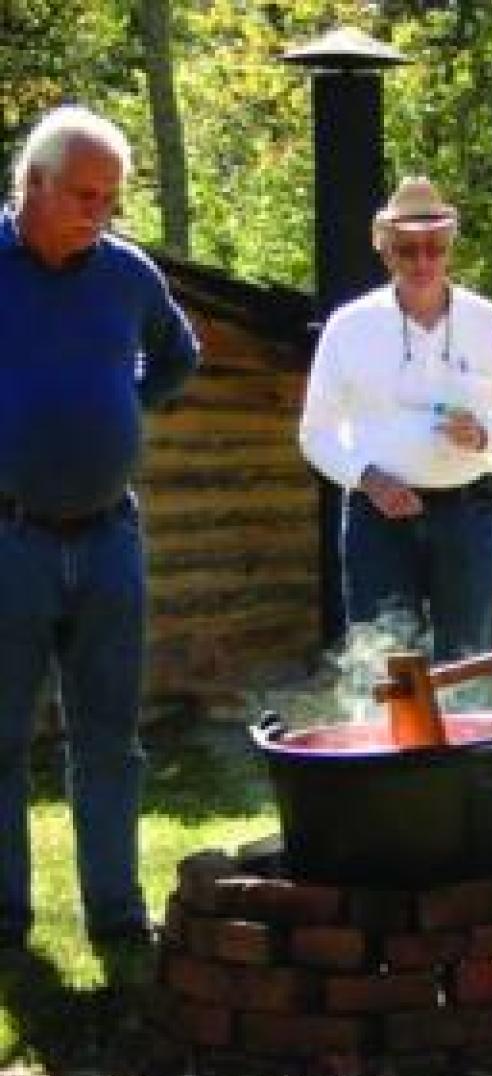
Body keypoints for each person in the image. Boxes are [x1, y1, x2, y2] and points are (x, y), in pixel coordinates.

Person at [0, 106, 199, 949]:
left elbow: (178, 354)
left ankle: (116, 916)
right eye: (84, 195)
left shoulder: (126, 275)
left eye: (111, 199)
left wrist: (124, 406)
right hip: (9, 538)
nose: (100, 213)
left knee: (111, 740)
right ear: (33, 184)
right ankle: (6, 921)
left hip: (111, 536)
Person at [300, 176, 492, 661]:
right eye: (408, 251)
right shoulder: (349, 326)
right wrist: (367, 479)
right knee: (384, 664)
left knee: (466, 661)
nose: (423, 262)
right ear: (386, 253)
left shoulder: (487, 322)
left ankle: (458, 738)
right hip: (378, 517)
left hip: (468, 515)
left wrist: (486, 435)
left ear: (449, 247)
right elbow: (316, 433)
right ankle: (387, 737)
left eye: (434, 248)